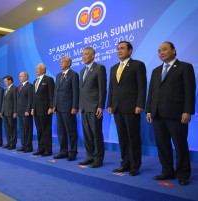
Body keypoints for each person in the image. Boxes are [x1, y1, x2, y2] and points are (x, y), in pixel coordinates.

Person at [146, 42, 196, 185]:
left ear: (174, 51)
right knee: (162, 145)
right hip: (157, 114)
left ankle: (183, 174)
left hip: (177, 114)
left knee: (180, 145)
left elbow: (189, 91)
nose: (161, 52)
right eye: (159, 51)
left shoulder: (185, 67)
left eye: (165, 49)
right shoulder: (156, 71)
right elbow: (151, 93)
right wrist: (149, 109)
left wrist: (187, 111)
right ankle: (167, 171)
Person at [107, 41, 147, 176]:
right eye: (118, 49)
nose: (119, 51)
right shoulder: (113, 68)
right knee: (122, 137)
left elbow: (142, 87)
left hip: (132, 108)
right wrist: (110, 104)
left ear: (130, 50)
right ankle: (125, 163)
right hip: (117, 108)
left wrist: (140, 104)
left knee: (133, 137)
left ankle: (135, 165)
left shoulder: (138, 65)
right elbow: (111, 88)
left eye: (122, 48)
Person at [79, 47, 107, 168]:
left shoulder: (99, 68)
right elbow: (82, 91)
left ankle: (98, 158)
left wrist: (101, 106)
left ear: (92, 56)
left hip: (95, 107)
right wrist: (80, 106)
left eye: (86, 54)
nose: (83, 56)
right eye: (82, 54)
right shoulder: (82, 71)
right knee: (87, 134)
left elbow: (102, 89)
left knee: (96, 134)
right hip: (84, 108)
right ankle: (89, 157)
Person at [53, 56, 79, 161]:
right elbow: (56, 92)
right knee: (61, 132)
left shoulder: (73, 75)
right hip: (59, 107)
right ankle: (63, 151)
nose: (60, 63)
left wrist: (74, 106)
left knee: (71, 131)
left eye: (62, 62)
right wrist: (54, 105)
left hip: (68, 108)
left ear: (68, 63)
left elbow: (76, 92)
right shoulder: (58, 76)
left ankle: (72, 152)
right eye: (60, 62)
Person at [32, 63, 55, 157]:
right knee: (39, 130)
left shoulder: (49, 79)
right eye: (36, 68)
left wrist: (51, 107)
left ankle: (48, 150)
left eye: (38, 68)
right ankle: (40, 148)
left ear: (43, 70)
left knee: (46, 130)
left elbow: (51, 95)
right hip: (36, 110)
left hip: (45, 109)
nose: (36, 70)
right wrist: (33, 108)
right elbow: (34, 96)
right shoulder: (35, 81)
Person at [17, 72, 33, 153]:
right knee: (22, 130)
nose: (19, 77)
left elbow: (30, 99)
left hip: (26, 112)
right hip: (20, 112)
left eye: (21, 76)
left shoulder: (30, 86)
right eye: (19, 76)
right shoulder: (19, 87)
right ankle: (23, 145)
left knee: (28, 129)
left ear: (26, 76)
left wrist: (28, 110)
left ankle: (29, 146)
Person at [1, 75, 18, 150]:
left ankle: (13, 144)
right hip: (5, 113)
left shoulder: (15, 88)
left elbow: (15, 101)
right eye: (4, 81)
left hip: (11, 113)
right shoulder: (6, 89)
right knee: (7, 129)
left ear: (10, 81)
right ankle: (8, 142)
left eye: (5, 81)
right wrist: (2, 112)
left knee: (12, 129)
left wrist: (15, 111)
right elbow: (3, 102)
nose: (4, 82)